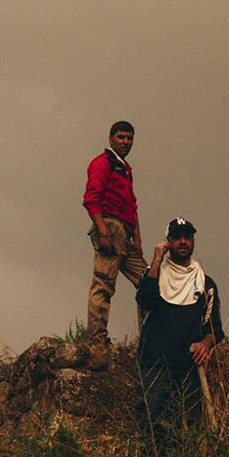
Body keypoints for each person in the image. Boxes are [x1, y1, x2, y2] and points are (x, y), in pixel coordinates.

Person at [135, 217, 224, 436]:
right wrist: (156, 259)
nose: (183, 242)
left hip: (188, 368)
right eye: (176, 238)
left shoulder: (205, 284)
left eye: (187, 237)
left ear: (193, 241)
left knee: (188, 430)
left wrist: (205, 344)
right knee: (152, 426)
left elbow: (214, 328)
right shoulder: (153, 275)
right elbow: (145, 301)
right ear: (168, 242)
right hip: (155, 364)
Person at [83, 120, 146, 343]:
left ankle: (149, 339)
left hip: (124, 233)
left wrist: (137, 238)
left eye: (129, 138)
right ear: (111, 138)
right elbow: (91, 200)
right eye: (121, 137)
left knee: (149, 282)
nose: (126, 142)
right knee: (103, 283)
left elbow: (132, 205)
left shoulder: (124, 169)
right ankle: (97, 340)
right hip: (109, 226)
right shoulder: (103, 163)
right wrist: (103, 231)